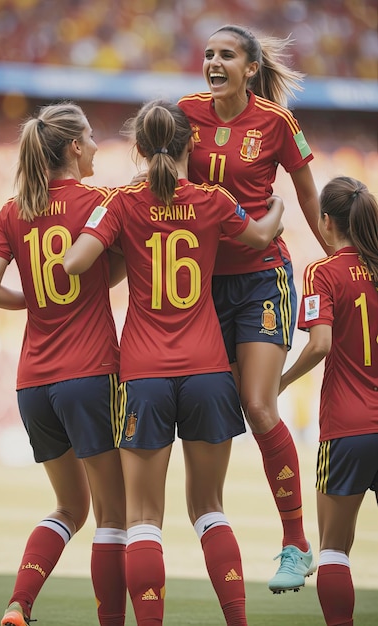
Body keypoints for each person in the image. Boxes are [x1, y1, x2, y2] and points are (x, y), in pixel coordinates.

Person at [63, 99, 284, 626]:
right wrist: (276, 209)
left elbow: (73, 263)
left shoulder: (121, 202)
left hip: (144, 374)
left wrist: (121, 250)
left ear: (137, 148)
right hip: (208, 370)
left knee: (143, 520)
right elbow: (260, 235)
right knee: (209, 508)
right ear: (192, 144)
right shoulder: (213, 199)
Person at [177, 24, 330, 593]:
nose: (213, 62)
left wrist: (334, 249)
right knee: (210, 406)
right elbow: (161, 182)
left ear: (249, 68)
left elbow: (308, 193)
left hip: (263, 277)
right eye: (209, 53)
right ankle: (207, 524)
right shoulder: (184, 113)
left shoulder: (275, 122)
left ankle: (295, 543)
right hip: (203, 285)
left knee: (258, 406)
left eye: (227, 55)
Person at [0, 102, 127, 626]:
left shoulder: (12, 210)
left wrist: (35, 300)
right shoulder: (99, 202)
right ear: (73, 148)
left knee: (70, 508)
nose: (96, 145)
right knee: (113, 516)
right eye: (90, 137)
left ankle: (19, 604)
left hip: (33, 382)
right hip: (89, 373)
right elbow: (113, 270)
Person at [279, 176, 378, 626]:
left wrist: (279, 382)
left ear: (325, 222)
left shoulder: (323, 272)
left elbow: (319, 345)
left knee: (334, 550)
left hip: (347, 427)